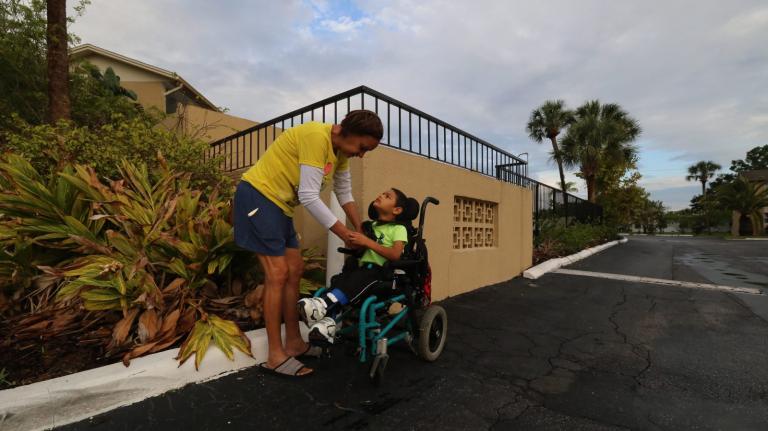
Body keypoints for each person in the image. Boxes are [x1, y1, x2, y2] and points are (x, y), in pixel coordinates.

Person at [233, 110, 383, 377]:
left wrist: (360, 228)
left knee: (295, 270)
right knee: (277, 273)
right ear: (348, 131)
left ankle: (293, 342)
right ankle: (275, 356)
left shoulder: (340, 153)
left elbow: (343, 191)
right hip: (258, 197)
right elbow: (309, 196)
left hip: (280, 207)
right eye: (362, 147)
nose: (361, 155)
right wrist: (345, 234)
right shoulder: (316, 136)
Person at [297, 188, 411, 345]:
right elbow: (360, 248)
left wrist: (367, 242)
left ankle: (322, 305)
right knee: (339, 280)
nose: (381, 195)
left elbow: (395, 255)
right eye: (382, 193)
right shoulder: (370, 226)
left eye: (387, 196)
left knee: (356, 280)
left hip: (380, 273)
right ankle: (326, 325)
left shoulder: (398, 229)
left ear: (397, 210)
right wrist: (355, 243)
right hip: (361, 269)